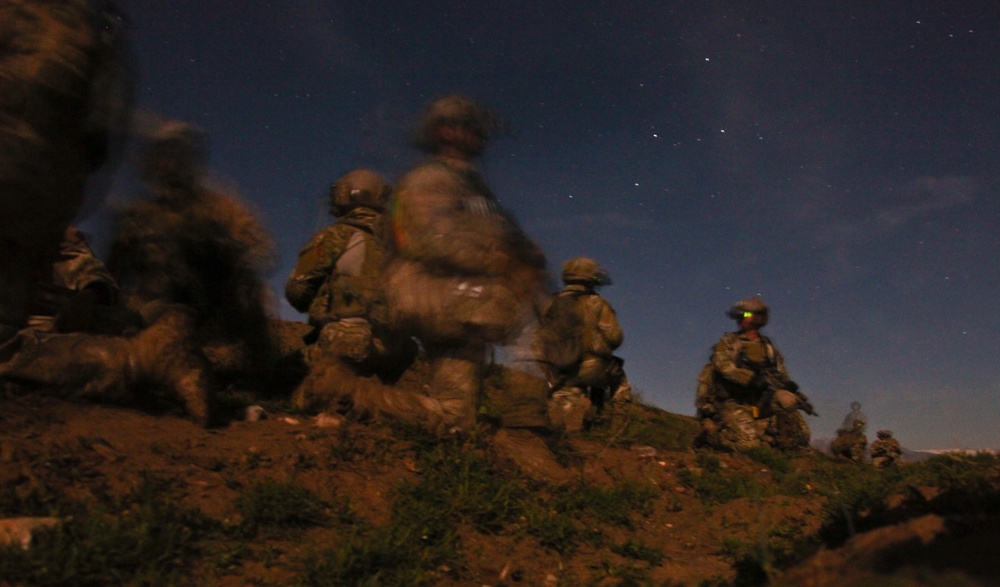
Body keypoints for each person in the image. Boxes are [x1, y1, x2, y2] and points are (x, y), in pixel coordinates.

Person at [384, 95, 570, 484]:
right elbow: (435, 241)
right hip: (435, 291)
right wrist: (508, 261)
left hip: (450, 296)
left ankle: (359, 397)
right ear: (445, 131)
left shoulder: (471, 188)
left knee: (455, 417)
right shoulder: (432, 178)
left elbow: (488, 238)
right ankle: (526, 432)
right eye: (465, 127)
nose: (475, 136)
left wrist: (521, 253)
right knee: (532, 315)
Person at [0, 0, 132, 353]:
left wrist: (93, 292)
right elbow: (98, 138)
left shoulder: (23, 14)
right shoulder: (97, 36)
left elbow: (80, 261)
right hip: (44, 188)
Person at [109, 120, 277, 385]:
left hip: (214, 307)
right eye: (166, 154)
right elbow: (113, 272)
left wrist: (224, 249)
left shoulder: (220, 206)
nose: (172, 162)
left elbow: (265, 253)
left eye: (180, 154)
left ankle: (261, 376)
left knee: (252, 289)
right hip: (157, 312)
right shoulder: (137, 214)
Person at [285, 169, 417, 411]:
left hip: (347, 342)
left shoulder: (336, 236)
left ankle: (345, 399)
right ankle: (373, 396)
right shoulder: (402, 250)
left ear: (345, 196)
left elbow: (297, 292)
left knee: (283, 378)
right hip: (396, 350)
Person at [694, 296, 815, 451]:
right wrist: (750, 379)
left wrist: (788, 386)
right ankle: (710, 435)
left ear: (758, 318)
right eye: (740, 316)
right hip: (735, 401)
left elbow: (780, 372)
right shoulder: (729, 341)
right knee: (746, 445)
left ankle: (769, 438)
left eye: (746, 315)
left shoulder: (768, 346)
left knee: (801, 437)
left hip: (762, 403)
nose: (741, 320)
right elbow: (724, 367)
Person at [535, 257, 632, 433]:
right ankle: (616, 431)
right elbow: (615, 338)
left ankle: (561, 416)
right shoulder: (597, 303)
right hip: (591, 368)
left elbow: (539, 337)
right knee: (619, 378)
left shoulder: (550, 303)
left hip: (557, 369)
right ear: (590, 278)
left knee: (566, 394)